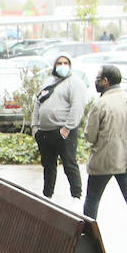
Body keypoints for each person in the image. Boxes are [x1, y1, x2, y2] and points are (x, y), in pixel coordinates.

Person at [82, 65, 127, 227]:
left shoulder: (101, 104)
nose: (96, 82)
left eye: (98, 79)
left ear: (106, 81)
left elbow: (90, 136)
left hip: (102, 161)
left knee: (93, 199)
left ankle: (88, 232)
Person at [33, 54, 90, 199]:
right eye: (59, 63)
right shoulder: (48, 82)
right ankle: (47, 196)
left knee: (69, 164)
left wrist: (67, 128)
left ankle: (76, 196)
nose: (62, 65)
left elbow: (77, 107)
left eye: (65, 63)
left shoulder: (75, 83)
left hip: (63, 132)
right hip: (44, 132)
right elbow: (37, 104)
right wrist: (35, 128)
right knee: (48, 166)